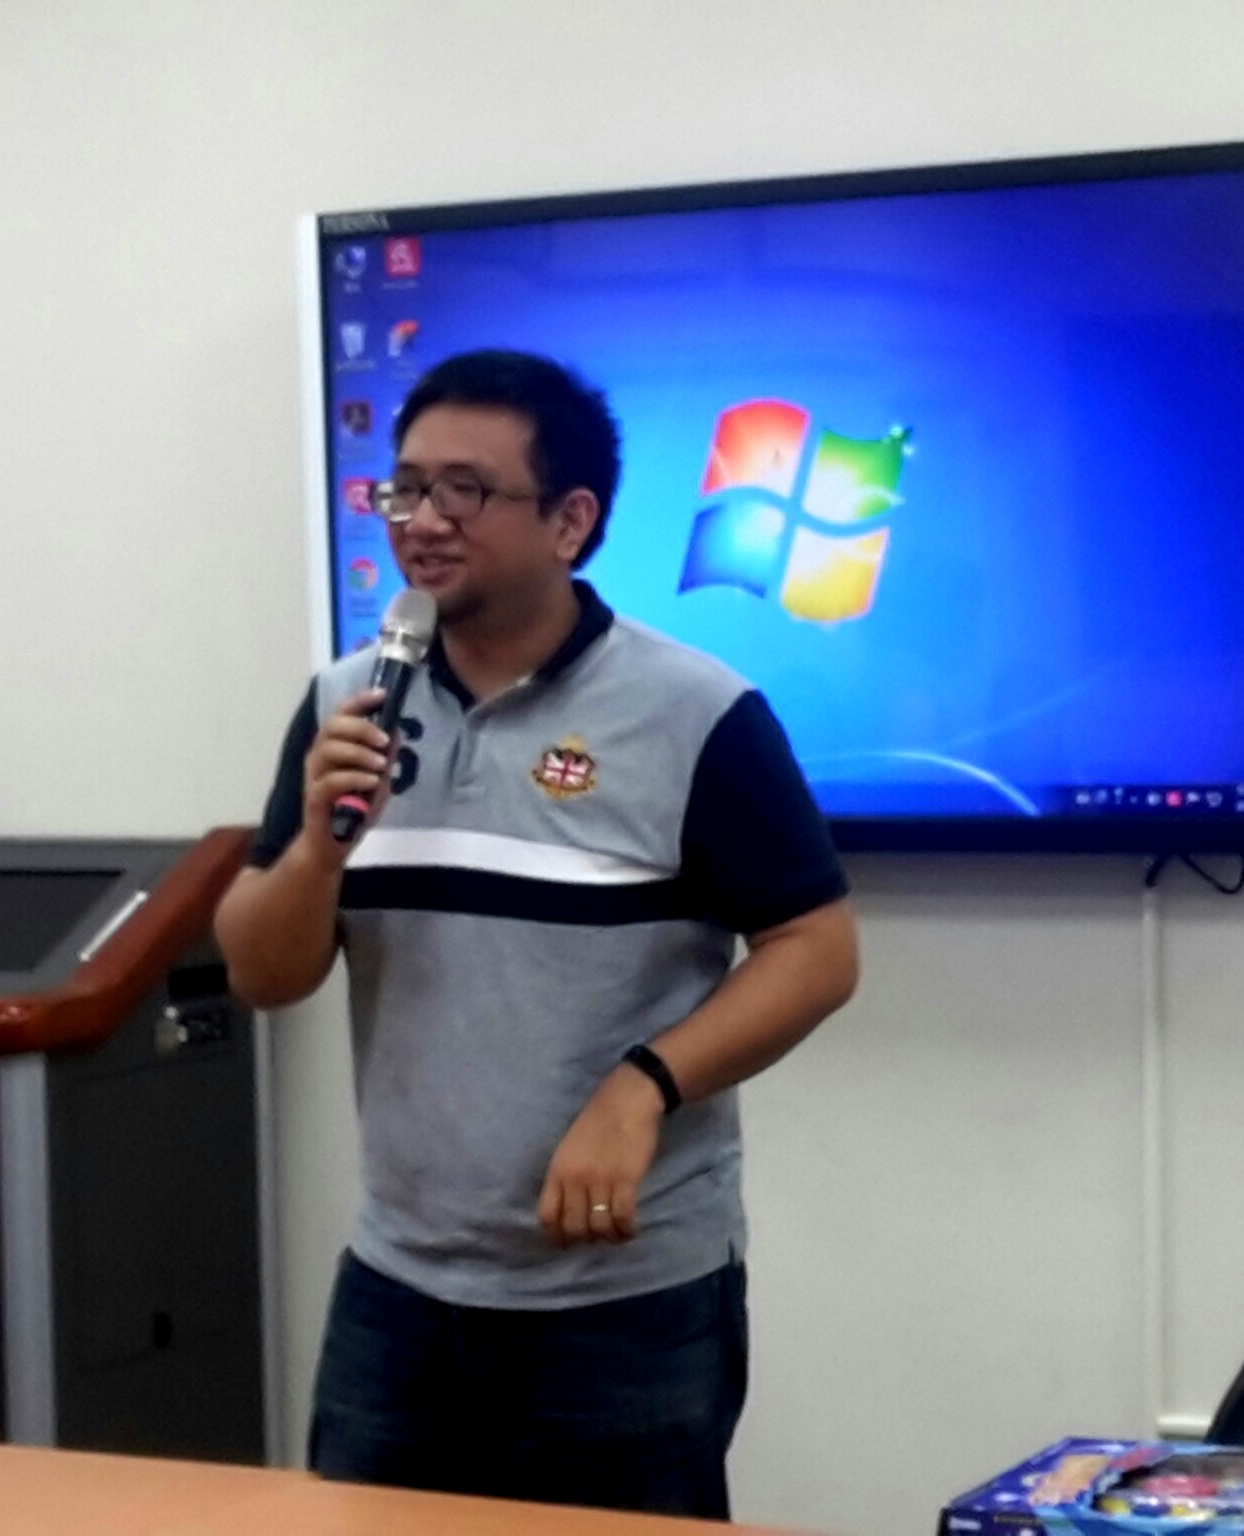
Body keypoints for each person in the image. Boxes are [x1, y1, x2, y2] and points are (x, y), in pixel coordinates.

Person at [215, 349, 859, 1519]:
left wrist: (642, 1087)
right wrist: (315, 848)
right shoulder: (347, 703)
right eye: (405, 487)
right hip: (399, 1289)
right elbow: (263, 973)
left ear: (571, 521)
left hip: (624, 1299)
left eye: (464, 490)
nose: (423, 522)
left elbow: (817, 949)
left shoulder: (695, 712)